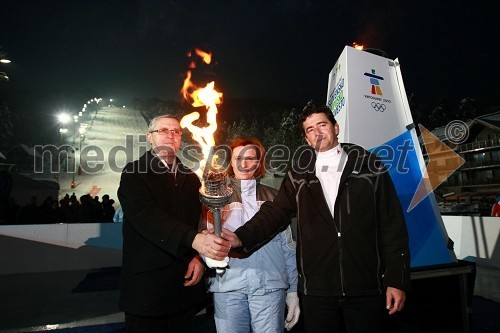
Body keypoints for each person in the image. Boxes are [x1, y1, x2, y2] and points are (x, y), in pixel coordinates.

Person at [222, 101, 411, 333]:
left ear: (336, 128)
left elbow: (392, 225)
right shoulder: (298, 172)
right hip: (318, 291)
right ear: (307, 139)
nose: (317, 132)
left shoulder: (368, 165)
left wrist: (396, 280)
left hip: (365, 286)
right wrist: (241, 238)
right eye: (310, 129)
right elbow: (276, 212)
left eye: (322, 125)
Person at [117, 114, 231, 333]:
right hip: (148, 287)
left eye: (176, 131)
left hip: (183, 284)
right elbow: (146, 216)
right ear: (149, 137)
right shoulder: (134, 173)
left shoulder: (190, 178)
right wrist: (194, 241)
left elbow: (199, 220)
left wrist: (198, 257)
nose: (170, 135)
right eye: (163, 130)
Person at [200, 137, 300, 332]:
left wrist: (293, 290)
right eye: (238, 158)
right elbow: (204, 240)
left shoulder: (275, 199)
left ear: (259, 162)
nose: (244, 164)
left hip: (269, 287)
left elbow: (288, 248)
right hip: (227, 287)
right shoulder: (216, 199)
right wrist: (208, 257)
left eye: (250, 158)